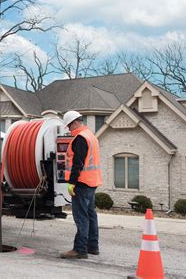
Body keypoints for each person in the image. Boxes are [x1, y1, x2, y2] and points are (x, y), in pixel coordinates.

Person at [60, 110, 102, 259]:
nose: (68, 129)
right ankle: (93, 246)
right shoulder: (91, 136)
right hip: (92, 181)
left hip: (82, 183)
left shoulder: (80, 138)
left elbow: (78, 163)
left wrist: (71, 182)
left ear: (74, 123)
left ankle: (80, 249)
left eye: (69, 126)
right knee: (91, 215)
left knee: (81, 217)